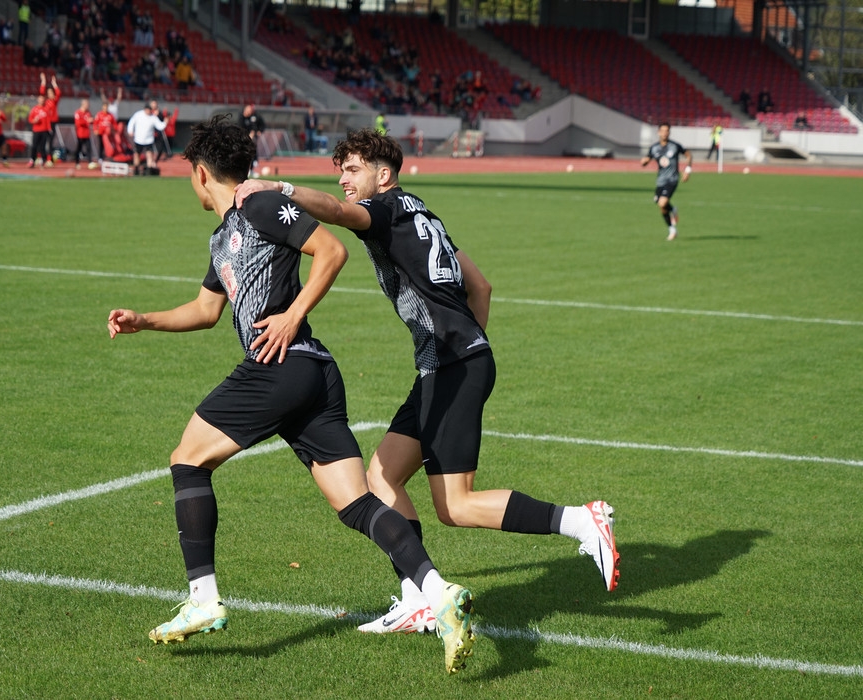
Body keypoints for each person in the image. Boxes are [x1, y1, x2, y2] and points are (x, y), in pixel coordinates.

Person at [105, 115, 475, 675]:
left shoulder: (257, 205)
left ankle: (203, 598)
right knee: (356, 504)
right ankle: (436, 591)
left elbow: (331, 251)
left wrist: (291, 315)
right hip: (312, 374)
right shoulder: (223, 235)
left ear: (201, 174)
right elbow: (206, 310)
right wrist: (144, 320)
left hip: (280, 365)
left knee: (187, 460)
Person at [234, 129, 620, 635]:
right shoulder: (422, 212)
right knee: (381, 477)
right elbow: (481, 286)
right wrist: (471, 346)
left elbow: (337, 212)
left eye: (352, 170)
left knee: (455, 505)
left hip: (453, 365)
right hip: (452, 364)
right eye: (341, 171)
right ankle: (417, 597)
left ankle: (581, 520)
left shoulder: (384, 208)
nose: (344, 179)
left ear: (383, 175)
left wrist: (278, 188)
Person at [640, 122, 692, 241]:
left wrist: (687, 170)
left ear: (669, 132)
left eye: (667, 131)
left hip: (672, 179)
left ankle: (672, 228)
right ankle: (672, 219)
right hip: (660, 180)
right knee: (660, 204)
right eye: (662, 131)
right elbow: (648, 158)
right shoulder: (654, 148)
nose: (664, 133)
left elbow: (688, 155)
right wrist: (644, 161)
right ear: (658, 132)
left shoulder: (675, 146)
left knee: (662, 203)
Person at [126, 100, 166, 173]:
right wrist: (130, 130)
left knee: (149, 154)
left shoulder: (153, 117)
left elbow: (160, 126)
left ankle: (149, 169)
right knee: (137, 154)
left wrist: (166, 122)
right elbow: (132, 122)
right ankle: (136, 169)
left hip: (148, 140)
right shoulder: (138, 115)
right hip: (139, 139)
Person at [40, 73, 61, 166]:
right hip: (45, 123)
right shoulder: (46, 101)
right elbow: (41, 92)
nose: (50, 94)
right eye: (48, 93)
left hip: (52, 123)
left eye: (51, 93)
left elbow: (59, 93)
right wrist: (43, 82)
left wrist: (54, 84)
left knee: (50, 141)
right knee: (43, 141)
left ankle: (49, 159)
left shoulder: (54, 101)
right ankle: (42, 157)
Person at [27, 94, 51, 167]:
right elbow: (30, 119)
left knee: (42, 146)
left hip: (44, 130)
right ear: (38, 100)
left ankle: (43, 160)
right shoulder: (34, 109)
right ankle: (32, 160)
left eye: (43, 99)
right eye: (40, 99)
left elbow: (48, 120)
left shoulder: (46, 109)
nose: (41, 101)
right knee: (34, 146)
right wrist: (34, 121)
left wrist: (49, 129)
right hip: (36, 130)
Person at [240, 104, 265, 172]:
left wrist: (258, 131)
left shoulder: (254, 117)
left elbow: (257, 127)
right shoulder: (241, 118)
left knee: (252, 149)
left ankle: (252, 165)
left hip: (251, 137)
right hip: (243, 138)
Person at [73, 98, 96, 169]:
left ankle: (90, 162)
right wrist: (86, 121)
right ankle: (77, 162)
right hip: (80, 134)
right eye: (87, 104)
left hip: (87, 134)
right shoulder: (78, 113)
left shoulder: (88, 113)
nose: (88, 106)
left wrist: (92, 121)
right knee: (78, 148)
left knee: (89, 148)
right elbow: (78, 123)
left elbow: (90, 121)